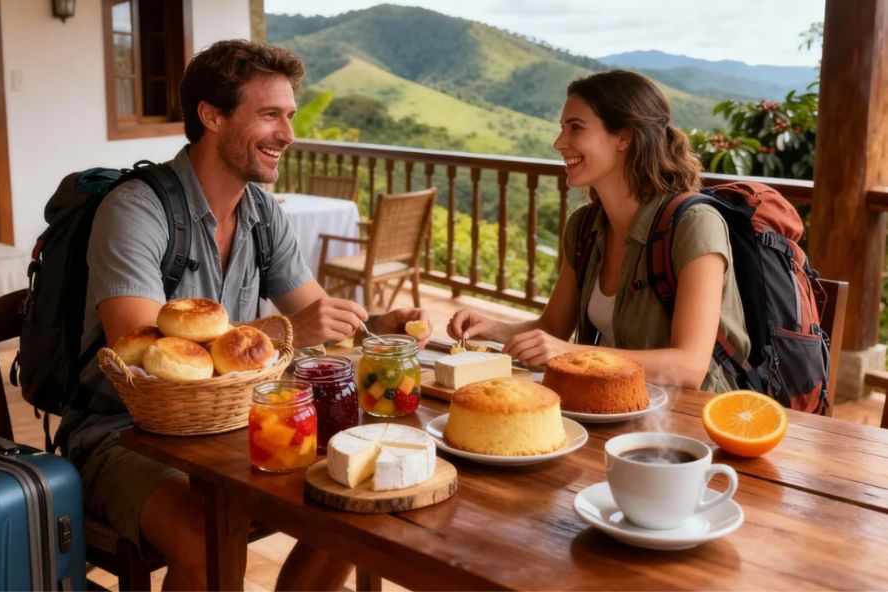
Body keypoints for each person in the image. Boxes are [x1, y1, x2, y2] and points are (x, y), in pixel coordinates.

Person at [55, 39, 430, 590]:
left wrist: (373, 328)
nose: (288, 133)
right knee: (208, 540)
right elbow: (143, 354)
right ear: (211, 116)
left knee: (357, 496)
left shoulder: (260, 211)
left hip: (233, 425)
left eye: (290, 115)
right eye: (270, 114)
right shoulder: (135, 209)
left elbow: (311, 314)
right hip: (121, 433)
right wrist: (283, 335)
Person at [448, 70, 748, 391]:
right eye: (562, 128)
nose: (559, 143)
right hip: (615, 401)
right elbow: (553, 328)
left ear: (624, 137)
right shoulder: (585, 227)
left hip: (695, 412)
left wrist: (571, 353)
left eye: (575, 128)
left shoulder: (694, 224)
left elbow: (689, 366)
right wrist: (492, 328)